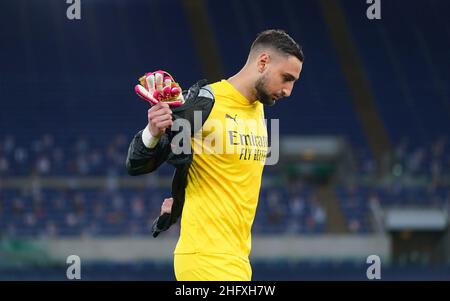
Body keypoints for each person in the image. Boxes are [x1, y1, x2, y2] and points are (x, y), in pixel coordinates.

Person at [126, 29, 303, 281]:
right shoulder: (204, 102)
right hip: (206, 259)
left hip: (237, 260)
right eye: (286, 78)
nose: (288, 90)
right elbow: (136, 164)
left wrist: (181, 200)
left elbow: (218, 172)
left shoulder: (258, 111)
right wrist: (153, 131)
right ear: (263, 62)